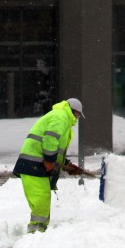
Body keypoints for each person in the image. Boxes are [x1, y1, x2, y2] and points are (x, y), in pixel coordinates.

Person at [13, 98, 84, 233]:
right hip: (33, 163)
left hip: (34, 162)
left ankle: (38, 232)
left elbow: (55, 147)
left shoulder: (61, 118)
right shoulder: (61, 117)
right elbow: (50, 141)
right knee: (41, 199)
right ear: (74, 112)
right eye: (78, 115)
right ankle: (35, 234)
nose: (78, 118)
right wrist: (49, 161)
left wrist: (67, 164)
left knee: (42, 199)